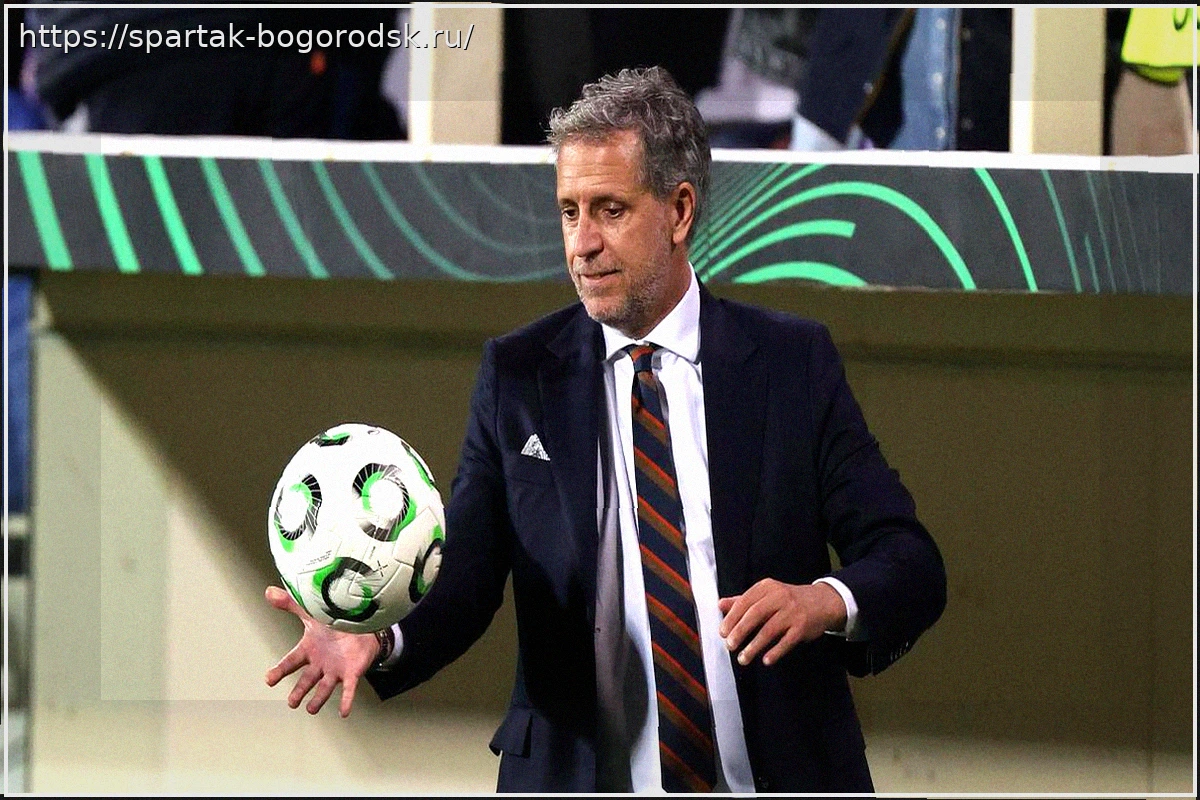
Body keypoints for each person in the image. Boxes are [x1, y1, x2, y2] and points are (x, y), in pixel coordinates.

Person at [265, 66, 946, 793]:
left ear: (679, 211)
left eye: (609, 210)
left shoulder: (790, 363)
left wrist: (823, 601)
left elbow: (908, 558)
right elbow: (465, 570)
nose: (581, 244)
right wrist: (381, 637)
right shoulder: (520, 375)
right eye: (569, 212)